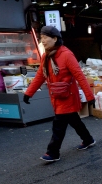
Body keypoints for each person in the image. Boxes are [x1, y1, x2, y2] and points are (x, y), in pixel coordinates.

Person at [24, 26, 96, 163]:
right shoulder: (46, 56)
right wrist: (29, 93)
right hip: (57, 96)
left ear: (55, 38)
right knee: (75, 121)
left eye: (45, 37)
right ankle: (88, 139)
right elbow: (40, 76)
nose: (42, 41)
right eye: (41, 38)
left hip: (67, 96)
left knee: (58, 125)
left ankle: (53, 152)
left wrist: (89, 96)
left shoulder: (66, 55)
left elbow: (79, 76)